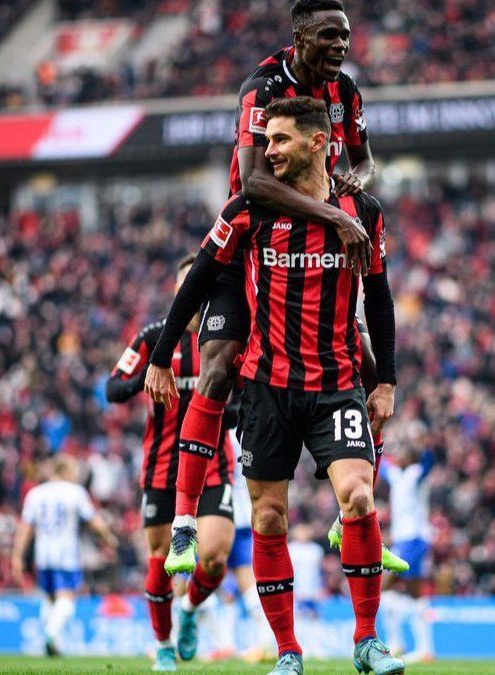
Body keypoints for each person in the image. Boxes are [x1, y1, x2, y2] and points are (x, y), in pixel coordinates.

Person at [145, 96, 404, 675]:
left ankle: (367, 641)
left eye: (281, 141)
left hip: (336, 383)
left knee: (358, 496)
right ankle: (289, 651)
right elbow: (199, 282)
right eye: (266, 141)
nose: (268, 152)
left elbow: (379, 299)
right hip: (266, 387)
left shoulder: (363, 208)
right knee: (267, 519)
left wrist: (385, 380)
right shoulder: (250, 210)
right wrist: (162, 356)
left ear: (318, 141)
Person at [161, 0, 407, 579]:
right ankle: (184, 525)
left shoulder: (344, 92)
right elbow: (255, 182)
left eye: (346, 34)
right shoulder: (262, 86)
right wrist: (336, 217)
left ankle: (357, 519)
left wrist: (348, 192)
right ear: (300, 36)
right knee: (218, 366)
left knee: (369, 370)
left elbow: (366, 162)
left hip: (315, 246)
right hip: (250, 244)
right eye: (330, 34)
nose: (342, 45)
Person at [105, 255, 236, 671]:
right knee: (161, 558)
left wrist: (222, 408)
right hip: (162, 467)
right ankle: (163, 645)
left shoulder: (233, 335)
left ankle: (190, 611)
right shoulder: (153, 337)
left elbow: (243, 403)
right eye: (188, 284)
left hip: (213, 465)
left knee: (214, 556)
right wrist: (144, 377)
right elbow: (112, 387)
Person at [11, 455, 118, 657]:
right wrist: (108, 538)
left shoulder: (36, 493)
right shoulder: (75, 493)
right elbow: (93, 521)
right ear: (65, 471)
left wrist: (17, 556)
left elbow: (25, 528)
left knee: (51, 599)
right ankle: (51, 634)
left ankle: (54, 642)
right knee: (66, 599)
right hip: (67, 554)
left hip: (42, 554)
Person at [380, 447, 435, 663]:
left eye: (402, 454)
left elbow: (430, 459)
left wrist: (425, 443)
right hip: (404, 539)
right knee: (413, 593)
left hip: (414, 538)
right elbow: (381, 464)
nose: (397, 457)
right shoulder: (397, 474)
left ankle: (396, 642)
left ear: (412, 458)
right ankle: (424, 648)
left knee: (386, 585)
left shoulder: (416, 473)